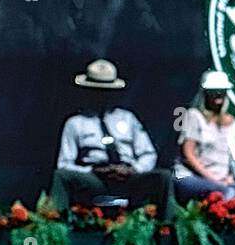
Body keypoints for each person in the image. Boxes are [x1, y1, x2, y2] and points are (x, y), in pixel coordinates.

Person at [49, 60, 172, 217]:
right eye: (97, 91)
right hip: (95, 179)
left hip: (129, 177)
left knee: (164, 177)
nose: (102, 96)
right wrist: (93, 171)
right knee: (61, 176)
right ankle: (57, 229)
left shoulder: (128, 119)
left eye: (106, 91)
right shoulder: (75, 123)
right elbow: (64, 163)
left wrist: (133, 169)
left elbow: (148, 154)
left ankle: (167, 229)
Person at [173, 71, 235, 203]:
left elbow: (229, 154)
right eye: (214, 91)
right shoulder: (194, 116)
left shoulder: (229, 121)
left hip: (221, 179)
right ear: (206, 93)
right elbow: (188, 155)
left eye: (222, 90)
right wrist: (213, 179)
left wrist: (229, 176)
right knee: (226, 193)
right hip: (192, 176)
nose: (218, 94)